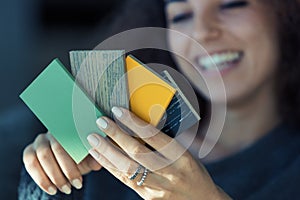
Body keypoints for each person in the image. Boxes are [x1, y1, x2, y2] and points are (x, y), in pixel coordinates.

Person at [18, 0, 300, 199]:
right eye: (180, 15)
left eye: (231, 4)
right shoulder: (105, 150)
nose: (202, 31)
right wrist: (50, 183)